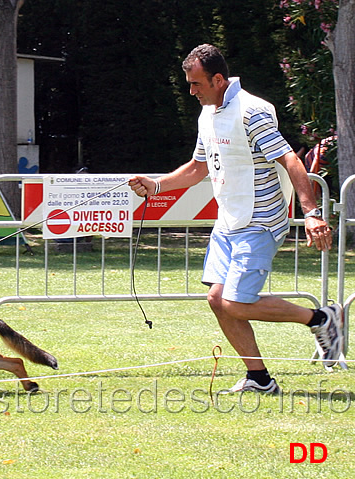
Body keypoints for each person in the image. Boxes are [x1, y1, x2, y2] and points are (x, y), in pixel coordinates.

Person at [129, 44, 343, 394]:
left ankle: (321, 319)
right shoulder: (207, 114)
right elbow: (197, 168)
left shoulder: (251, 111)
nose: (191, 90)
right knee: (217, 300)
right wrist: (156, 184)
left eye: (196, 83)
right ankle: (260, 379)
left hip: (260, 220)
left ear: (218, 78)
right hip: (228, 221)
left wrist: (312, 214)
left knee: (236, 303)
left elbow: (290, 160)